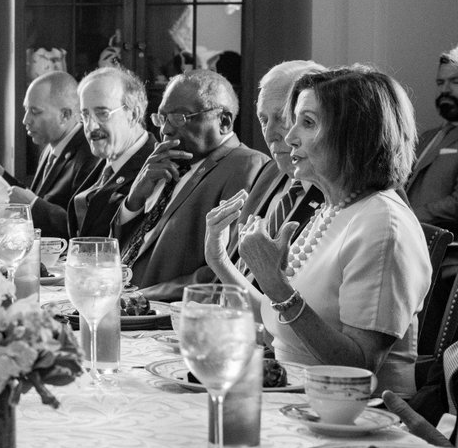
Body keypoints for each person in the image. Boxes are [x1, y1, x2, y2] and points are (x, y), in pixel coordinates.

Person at [208, 67, 429, 395]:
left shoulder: (384, 224)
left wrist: (276, 285)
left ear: (354, 134)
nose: (289, 137)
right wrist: (220, 260)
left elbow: (359, 366)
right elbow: (279, 323)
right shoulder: (334, 207)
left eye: (308, 123)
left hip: (353, 413)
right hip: (294, 397)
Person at [112, 69, 268, 301]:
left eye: (180, 117)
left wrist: (140, 297)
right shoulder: (165, 164)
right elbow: (118, 249)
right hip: (119, 301)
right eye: (162, 118)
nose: (165, 129)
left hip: (165, 313)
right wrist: (134, 200)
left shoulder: (246, 165)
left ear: (224, 121)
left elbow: (224, 269)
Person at [203, 60, 326, 290]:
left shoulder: (338, 192)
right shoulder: (271, 171)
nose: (270, 134)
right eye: (264, 120)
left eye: (282, 118)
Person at [0, 71, 98, 238]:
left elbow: (80, 228)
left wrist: (33, 205)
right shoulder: (49, 147)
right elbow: (33, 196)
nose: (25, 120)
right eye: (26, 110)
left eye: (35, 112)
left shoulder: (90, 155)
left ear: (65, 115)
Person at [66, 66, 155, 238]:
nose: (91, 126)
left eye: (102, 113)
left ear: (134, 114)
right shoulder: (102, 161)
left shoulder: (155, 169)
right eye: (85, 115)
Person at [407, 45, 458, 235]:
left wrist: (409, 217)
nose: (445, 90)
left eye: (455, 81)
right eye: (440, 82)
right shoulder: (425, 138)